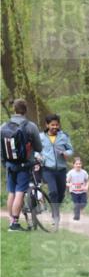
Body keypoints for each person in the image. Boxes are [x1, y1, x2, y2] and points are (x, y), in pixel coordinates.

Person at [1, 98, 44, 231]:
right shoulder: (30, 126)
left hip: (9, 165)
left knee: (11, 192)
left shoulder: (3, 126)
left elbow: (1, 149)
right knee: (20, 192)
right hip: (24, 165)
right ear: (25, 110)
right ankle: (14, 224)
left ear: (14, 109)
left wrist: (4, 163)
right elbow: (39, 147)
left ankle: (11, 221)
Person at [39, 113, 74, 229]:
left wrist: (65, 153)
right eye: (52, 125)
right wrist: (39, 157)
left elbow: (70, 150)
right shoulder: (41, 137)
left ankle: (55, 208)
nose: (55, 127)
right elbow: (35, 150)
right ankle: (55, 216)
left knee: (61, 193)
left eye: (57, 125)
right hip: (47, 169)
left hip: (61, 169)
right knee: (53, 192)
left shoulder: (63, 136)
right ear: (47, 125)